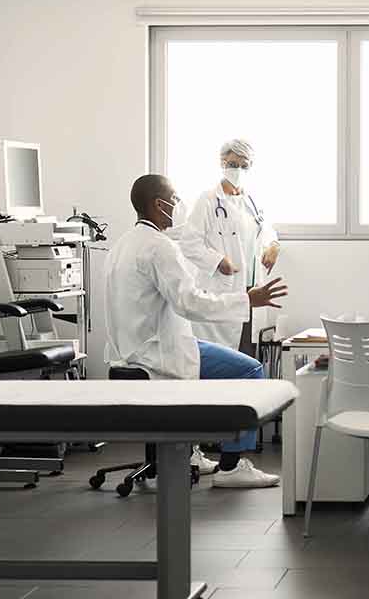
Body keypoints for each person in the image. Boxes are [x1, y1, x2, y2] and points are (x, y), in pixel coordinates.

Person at [105, 174, 288, 488]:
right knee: (250, 371)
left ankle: (190, 453)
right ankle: (232, 468)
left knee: (204, 352)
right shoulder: (159, 247)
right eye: (174, 199)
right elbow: (188, 302)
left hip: (127, 353)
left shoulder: (122, 244)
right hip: (157, 355)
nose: (178, 205)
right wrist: (247, 299)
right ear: (158, 204)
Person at [179, 139, 280, 357]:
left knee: (248, 355)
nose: (238, 170)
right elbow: (188, 242)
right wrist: (217, 261)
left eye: (244, 166)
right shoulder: (207, 200)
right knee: (225, 359)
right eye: (233, 164)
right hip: (224, 290)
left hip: (253, 292)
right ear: (222, 163)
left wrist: (273, 245)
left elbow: (267, 230)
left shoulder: (252, 200)